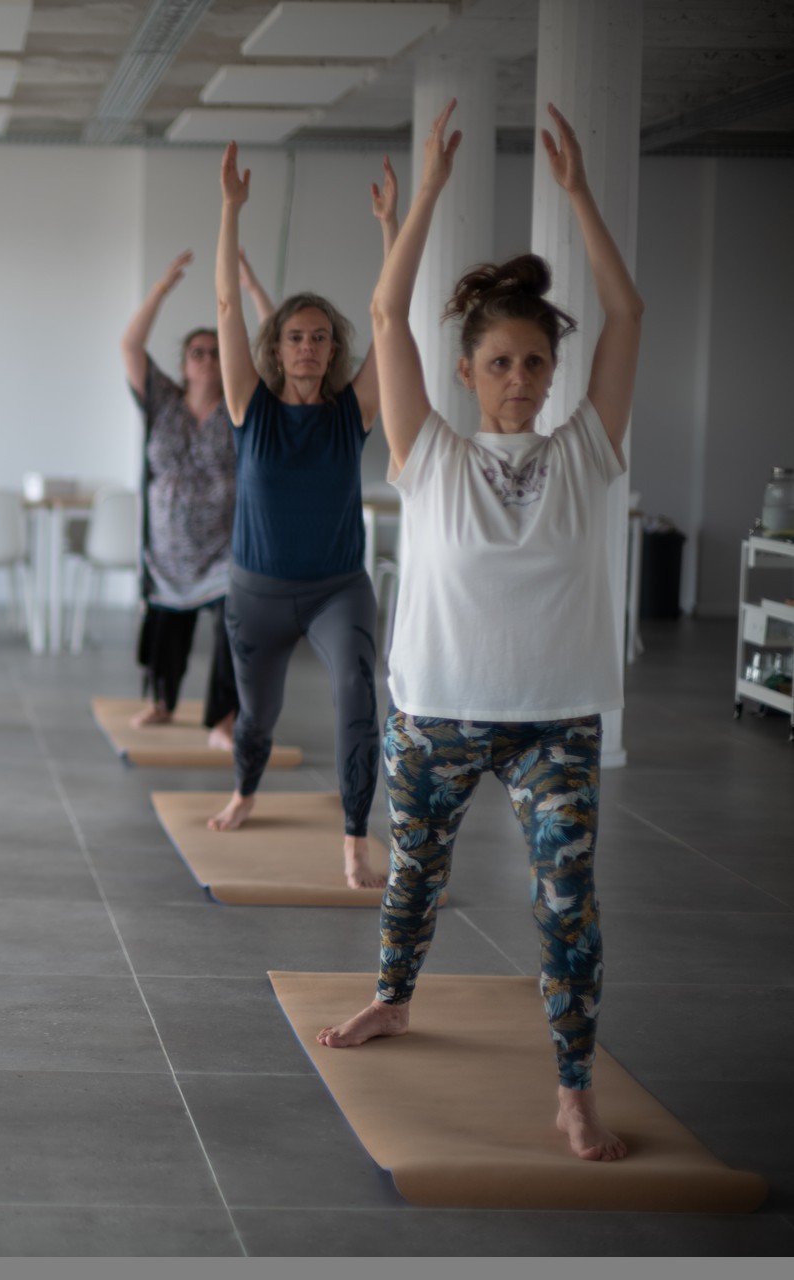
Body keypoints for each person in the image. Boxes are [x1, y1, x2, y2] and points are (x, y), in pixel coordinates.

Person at [316, 102, 643, 1163]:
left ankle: (574, 1091)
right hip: (437, 713)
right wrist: (425, 196)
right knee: (415, 873)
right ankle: (392, 997)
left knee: (567, 900)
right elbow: (386, 308)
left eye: (534, 363)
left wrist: (580, 193)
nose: (519, 380)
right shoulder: (431, 455)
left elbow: (627, 312)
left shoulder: (587, 451)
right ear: (466, 371)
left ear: (552, 372)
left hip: (556, 722)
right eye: (499, 363)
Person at [209, 140, 397, 890]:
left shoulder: (353, 411)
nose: (309, 348)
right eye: (296, 337)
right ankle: (244, 789)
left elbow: (390, 315)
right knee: (257, 717)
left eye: (321, 338)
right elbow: (227, 306)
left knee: (357, 690)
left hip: (336, 589)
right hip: (256, 593)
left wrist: (390, 227)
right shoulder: (248, 407)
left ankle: (354, 838)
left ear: (333, 348)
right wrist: (230, 209)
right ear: (278, 348)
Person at [119, 248, 274, 744]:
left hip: (224, 549)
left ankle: (223, 718)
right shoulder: (161, 400)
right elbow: (130, 344)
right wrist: (161, 289)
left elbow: (275, 350)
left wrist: (252, 290)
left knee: (233, 628)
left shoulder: (240, 405)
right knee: (164, 631)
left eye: (215, 352)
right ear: (184, 366)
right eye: (197, 353)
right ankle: (161, 703)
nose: (207, 358)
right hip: (166, 551)